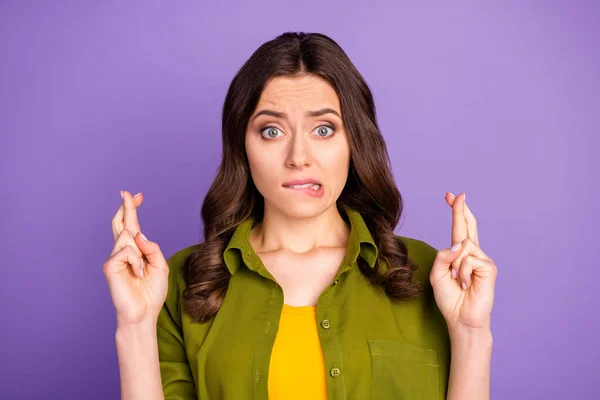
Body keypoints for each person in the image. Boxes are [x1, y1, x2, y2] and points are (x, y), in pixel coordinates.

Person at [104, 32, 497, 400]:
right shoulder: (185, 282)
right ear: (243, 147)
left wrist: (471, 332)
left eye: (323, 129)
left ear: (355, 142)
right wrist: (136, 324)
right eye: (272, 131)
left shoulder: (427, 275)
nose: (298, 157)